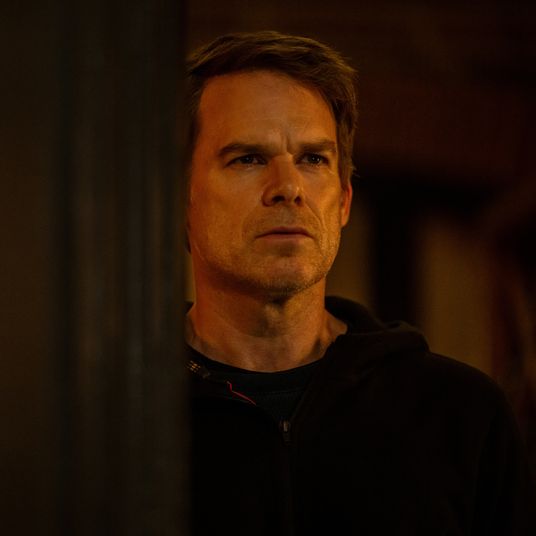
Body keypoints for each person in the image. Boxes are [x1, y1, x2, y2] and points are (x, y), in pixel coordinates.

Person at [184, 31, 534, 535]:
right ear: (179, 199)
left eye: (313, 159)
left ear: (344, 200)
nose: (288, 187)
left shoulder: (463, 415)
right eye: (248, 158)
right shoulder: (113, 419)